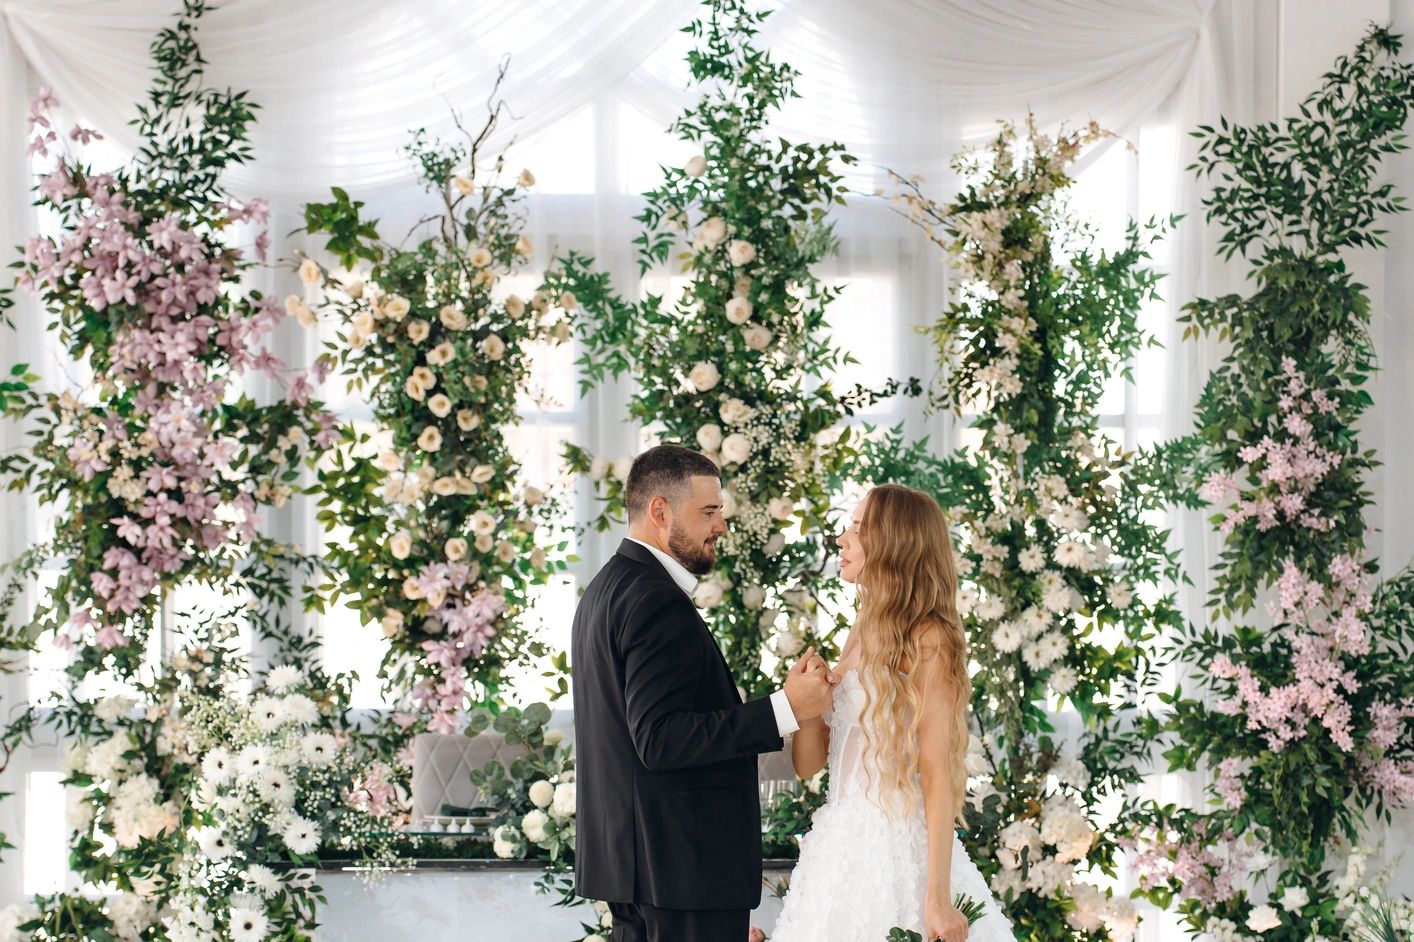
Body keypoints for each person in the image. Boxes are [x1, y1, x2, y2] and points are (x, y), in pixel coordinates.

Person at [572, 444, 840, 942]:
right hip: (680, 869)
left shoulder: (606, 588)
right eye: (709, 511)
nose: (721, 526)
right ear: (660, 511)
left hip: (639, 867)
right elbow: (660, 740)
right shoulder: (655, 599)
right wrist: (786, 708)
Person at [767, 484, 1015, 942]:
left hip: (898, 849)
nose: (842, 539)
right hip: (837, 853)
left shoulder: (930, 639)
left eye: (858, 528)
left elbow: (938, 772)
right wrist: (805, 705)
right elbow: (808, 765)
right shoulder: (861, 628)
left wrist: (937, 899)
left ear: (895, 542)